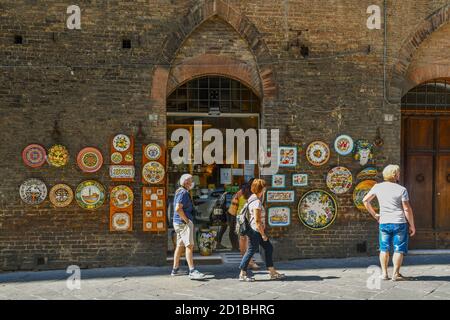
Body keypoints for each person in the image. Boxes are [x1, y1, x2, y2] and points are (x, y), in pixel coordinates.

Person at [363, 164, 416, 282]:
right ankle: (396, 274)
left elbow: (365, 201)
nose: (399, 174)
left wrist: (375, 214)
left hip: (384, 222)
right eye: (398, 173)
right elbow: (407, 209)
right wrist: (412, 225)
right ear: (394, 175)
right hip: (399, 223)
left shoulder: (377, 187)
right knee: (398, 249)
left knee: (384, 248)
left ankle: (384, 274)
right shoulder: (401, 189)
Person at [238, 178, 286, 281]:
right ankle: (242, 273)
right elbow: (257, 221)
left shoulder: (252, 198)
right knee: (251, 251)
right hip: (256, 231)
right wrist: (263, 234)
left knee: (268, 248)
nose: (265, 189)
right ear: (262, 189)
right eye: (264, 187)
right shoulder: (256, 202)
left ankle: (272, 272)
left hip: (255, 230)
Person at [171, 174, 206, 280]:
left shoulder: (179, 191)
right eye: (191, 181)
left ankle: (175, 269)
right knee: (189, 246)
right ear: (186, 182)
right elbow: (178, 208)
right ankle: (192, 270)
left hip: (178, 222)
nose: (192, 183)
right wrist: (187, 221)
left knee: (179, 245)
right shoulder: (184, 193)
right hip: (183, 223)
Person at [229, 179, 260, 269]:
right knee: (250, 240)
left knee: (243, 239)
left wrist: (233, 218)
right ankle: (249, 261)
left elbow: (233, 206)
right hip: (250, 218)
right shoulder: (254, 194)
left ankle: (245, 259)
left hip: (240, 217)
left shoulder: (240, 192)